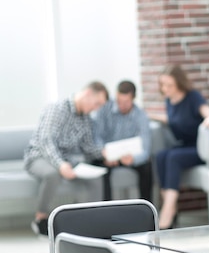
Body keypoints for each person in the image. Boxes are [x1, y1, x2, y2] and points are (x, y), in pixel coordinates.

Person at [24, 81, 109, 235]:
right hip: (39, 156)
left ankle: (87, 220)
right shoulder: (56, 109)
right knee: (53, 174)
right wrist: (61, 164)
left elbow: (87, 147)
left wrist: (104, 153)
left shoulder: (86, 119)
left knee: (96, 179)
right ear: (88, 94)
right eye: (97, 103)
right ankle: (41, 219)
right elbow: (46, 141)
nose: (96, 109)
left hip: (67, 160)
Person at [154, 64, 209, 229]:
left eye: (169, 85)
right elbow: (174, 119)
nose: (165, 88)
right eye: (163, 85)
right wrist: (151, 116)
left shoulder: (192, 97)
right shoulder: (169, 101)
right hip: (184, 146)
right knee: (161, 156)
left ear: (178, 83)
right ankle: (170, 206)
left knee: (173, 157)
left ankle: (168, 210)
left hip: (199, 148)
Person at [92, 80, 153, 202]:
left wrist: (133, 159)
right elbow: (96, 136)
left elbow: (145, 149)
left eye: (126, 102)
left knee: (147, 167)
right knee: (98, 167)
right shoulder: (104, 110)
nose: (122, 105)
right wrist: (105, 154)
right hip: (107, 157)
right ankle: (106, 210)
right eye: (119, 101)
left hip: (129, 158)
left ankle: (146, 210)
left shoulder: (140, 116)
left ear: (134, 98)